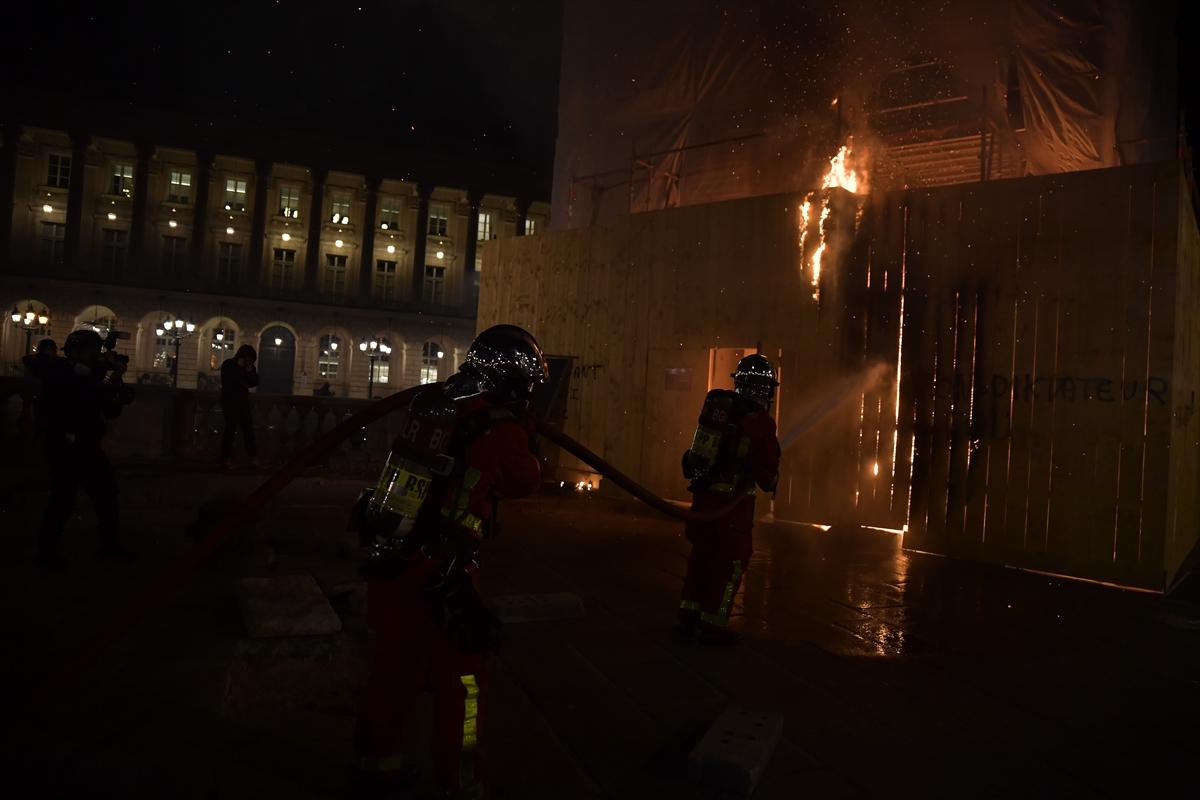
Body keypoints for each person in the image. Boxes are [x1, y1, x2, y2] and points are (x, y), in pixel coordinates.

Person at [352, 324, 545, 798]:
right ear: (513, 380)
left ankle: (381, 765)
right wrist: (526, 434)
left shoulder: (434, 403)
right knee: (466, 683)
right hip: (444, 574)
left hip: (394, 561)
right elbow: (523, 480)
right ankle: (462, 783)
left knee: (393, 671)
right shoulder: (499, 426)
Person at [677, 353, 781, 645]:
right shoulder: (760, 423)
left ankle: (688, 616)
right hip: (732, 511)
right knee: (731, 563)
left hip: (703, 503)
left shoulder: (719, 410)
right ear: (764, 389)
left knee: (701, 558)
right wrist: (771, 479)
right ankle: (712, 623)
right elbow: (768, 473)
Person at [35, 329, 134, 567]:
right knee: (63, 499)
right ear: (76, 352)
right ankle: (46, 553)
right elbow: (77, 391)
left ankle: (109, 546)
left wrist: (115, 380)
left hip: (88, 444)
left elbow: (109, 408)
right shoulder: (61, 371)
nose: (96, 356)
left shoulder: (89, 375)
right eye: (92, 351)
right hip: (65, 444)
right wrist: (102, 375)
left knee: (107, 495)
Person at [220, 344, 259, 469]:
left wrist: (248, 370)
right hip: (230, 402)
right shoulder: (228, 365)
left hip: (243, 403)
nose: (250, 362)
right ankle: (225, 458)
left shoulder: (249, 367)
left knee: (248, 431)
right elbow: (230, 382)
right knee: (230, 431)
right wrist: (240, 369)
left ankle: (253, 456)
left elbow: (254, 382)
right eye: (249, 359)